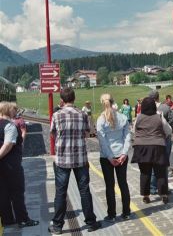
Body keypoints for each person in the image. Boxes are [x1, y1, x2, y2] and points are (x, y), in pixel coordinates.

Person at [48, 88, 101, 234]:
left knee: (60, 192)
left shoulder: (57, 115)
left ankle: (58, 226)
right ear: (74, 98)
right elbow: (87, 133)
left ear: (62, 100)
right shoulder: (82, 114)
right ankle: (91, 222)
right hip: (80, 159)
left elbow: (53, 134)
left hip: (62, 159)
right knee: (84, 191)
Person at [0, 102, 39, 228]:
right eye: (13, 110)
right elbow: (8, 145)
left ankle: (7, 219)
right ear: (8, 111)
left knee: (3, 192)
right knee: (17, 192)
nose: (15, 112)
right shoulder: (10, 126)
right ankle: (22, 219)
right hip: (11, 165)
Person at [97, 94, 131, 222]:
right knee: (123, 184)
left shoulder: (101, 119)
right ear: (113, 102)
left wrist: (110, 157)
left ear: (103, 103)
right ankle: (126, 212)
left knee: (109, 186)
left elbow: (102, 141)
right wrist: (124, 153)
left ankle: (111, 214)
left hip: (106, 157)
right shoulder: (122, 117)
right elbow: (127, 136)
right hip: (121, 154)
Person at [132, 97, 171, 204]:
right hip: (157, 146)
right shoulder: (159, 116)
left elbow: (134, 130)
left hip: (141, 148)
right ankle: (163, 194)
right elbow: (168, 131)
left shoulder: (139, 117)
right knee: (160, 172)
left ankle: (145, 195)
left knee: (145, 172)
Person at [148, 91, 173, 195]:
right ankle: (163, 188)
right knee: (164, 164)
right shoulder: (165, 108)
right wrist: (169, 131)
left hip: (151, 140)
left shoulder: (145, 108)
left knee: (152, 164)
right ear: (158, 97)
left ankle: (152, 187)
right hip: (164, 139)